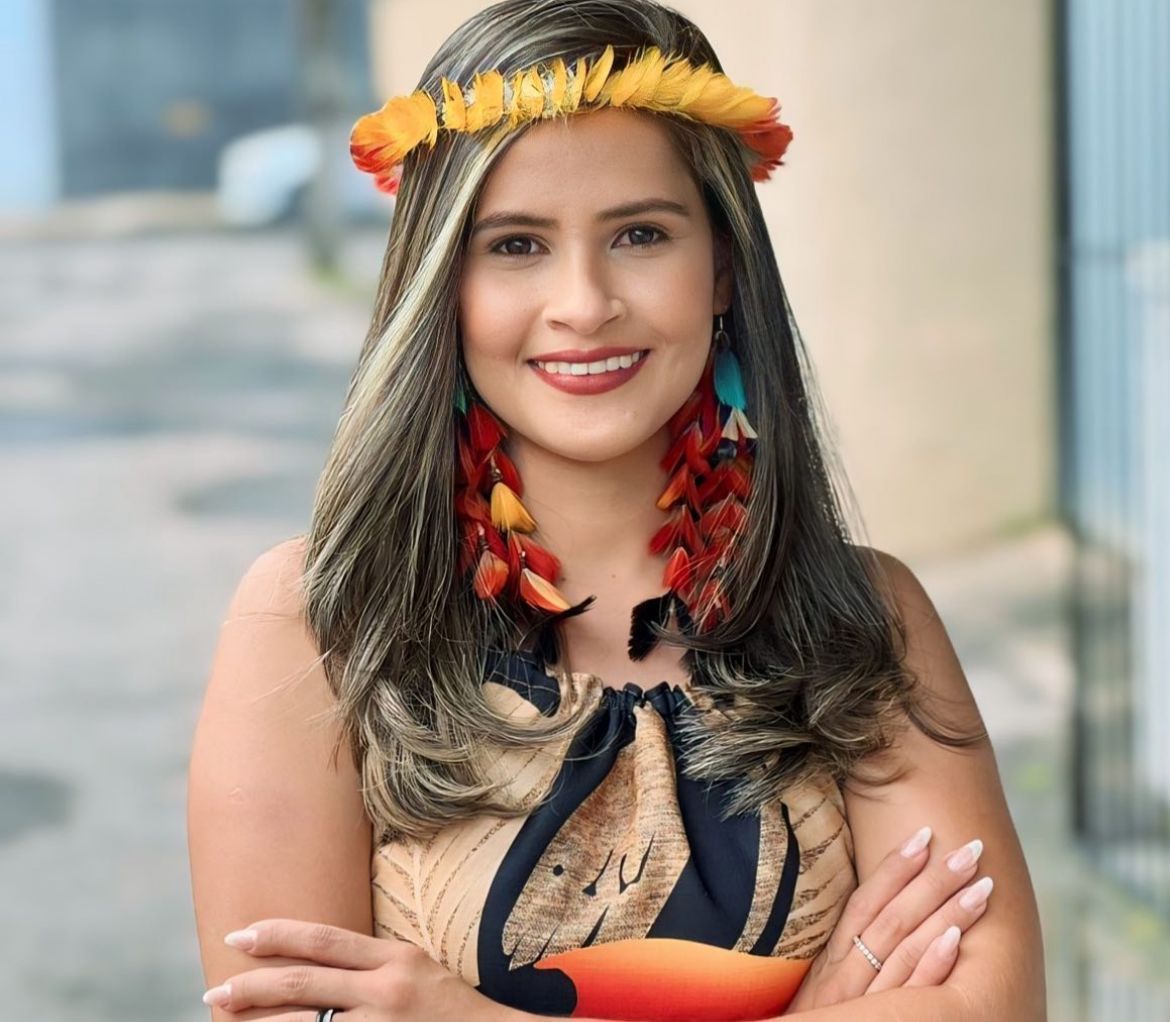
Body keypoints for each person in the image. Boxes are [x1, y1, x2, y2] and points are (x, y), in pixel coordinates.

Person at [187, 1, 1046, 1019]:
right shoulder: (319, 621)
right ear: (441, 284)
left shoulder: (863, 617)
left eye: (640, 233)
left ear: (721, 266)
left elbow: (988, 1003)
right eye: (515, 245)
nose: (585, 302)